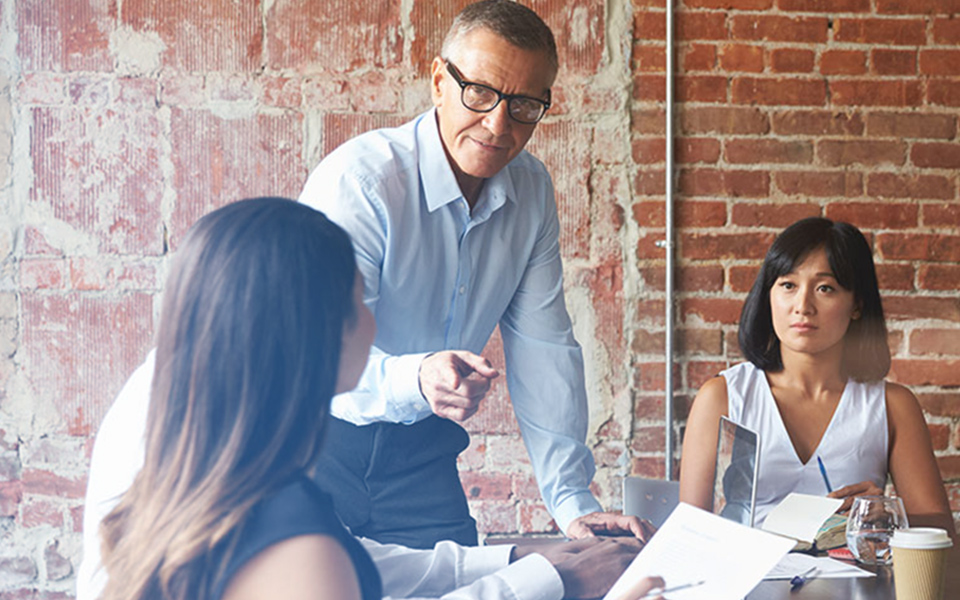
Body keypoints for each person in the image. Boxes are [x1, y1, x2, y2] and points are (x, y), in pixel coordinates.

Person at [81, 197, 665, 600]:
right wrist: (557, 585)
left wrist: (525, 563)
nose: (376, 319)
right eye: (363, 298)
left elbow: (355, 561)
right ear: (319, 327)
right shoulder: (290, 535)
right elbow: (329, 568)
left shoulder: (203, 440)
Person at [299, 0, 648, 550]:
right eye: (480, 92)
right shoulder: (362, 183)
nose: (498, 124)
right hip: (313, 448)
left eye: (525, 104)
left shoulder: (531, 193)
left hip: (423, 457)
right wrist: (416, 379)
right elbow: (313, 358)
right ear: (439, 80)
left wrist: (573, 502)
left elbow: (544, 347)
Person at [678, 217, 954, 536]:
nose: (803, 306)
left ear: (857, 305)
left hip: (857, 583)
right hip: (754, 580)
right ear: (769, 296)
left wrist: (887, 515)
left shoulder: (892, 405)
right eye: (788, 285)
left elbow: (942, 531)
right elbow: (688, 532)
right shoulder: (723, 397)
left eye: (825, 288)